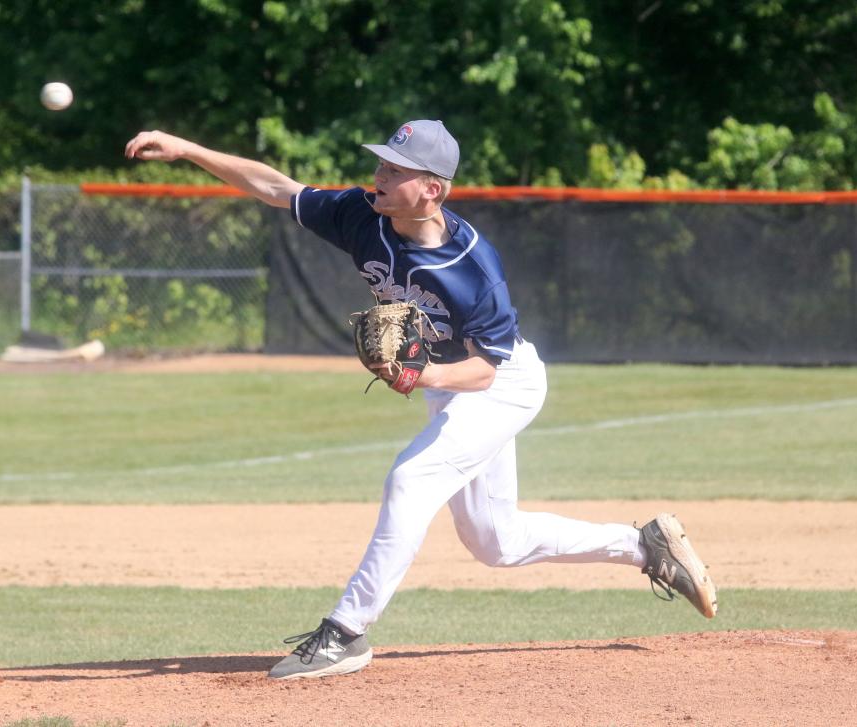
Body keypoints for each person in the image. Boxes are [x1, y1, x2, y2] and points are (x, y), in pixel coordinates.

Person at [124, 119, 718, 680]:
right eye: (381, 162)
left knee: (411, 479)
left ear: (432, 190)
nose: (380, 175)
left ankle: (346, 632)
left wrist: (419, 377)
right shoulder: (362, 215)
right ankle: (643, 547)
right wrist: (188, 149)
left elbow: (486, 370)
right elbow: (278, 188)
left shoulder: (474, 268)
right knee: (495, 541)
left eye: (395, 169)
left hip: (500, 384)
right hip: (449, 381)